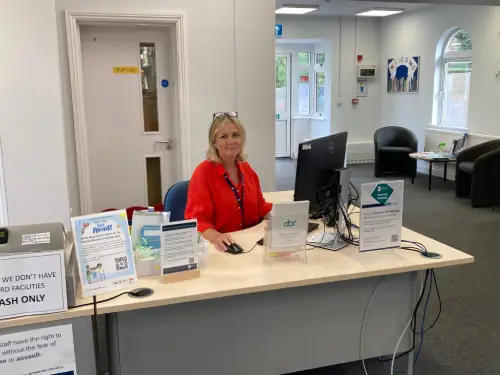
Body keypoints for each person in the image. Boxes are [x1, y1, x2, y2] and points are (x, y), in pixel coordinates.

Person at [185, 111, 272, 251]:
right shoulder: (203, 174)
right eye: (224, 136)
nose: (231, 141)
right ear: (214, 142)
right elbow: (197, 221)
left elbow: (260, 206)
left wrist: (285, 216)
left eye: (236, 135)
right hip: (222, 248)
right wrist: (216, 237)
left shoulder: (246, 169)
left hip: (251, 242)